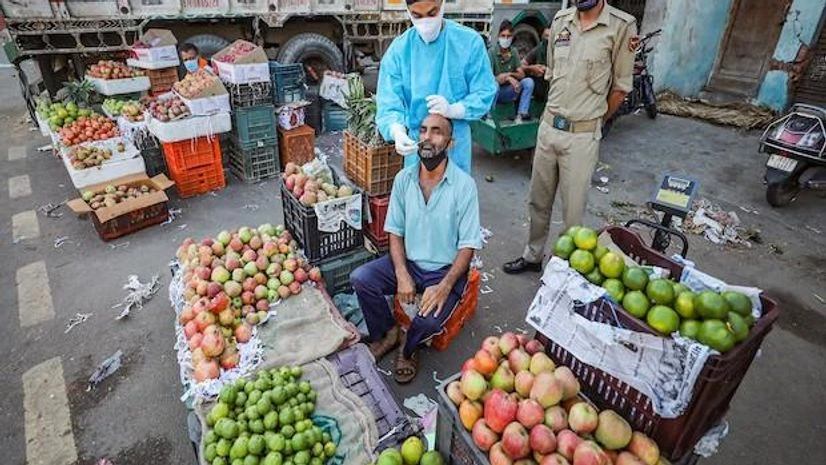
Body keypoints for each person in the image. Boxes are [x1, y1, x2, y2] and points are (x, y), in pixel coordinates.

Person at [503, 0, 636, 274]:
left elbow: (620, 89)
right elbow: (553, 72)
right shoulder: (562, 21)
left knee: (573, 213)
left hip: (582, 135)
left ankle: (561, 267)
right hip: (549, 128)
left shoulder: (621, 26)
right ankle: (532, 256)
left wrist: (594, 121)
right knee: (538, 201)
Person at [351, 114, 481, 384]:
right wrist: (401, 273)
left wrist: (445, 285)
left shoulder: (464, 186)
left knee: (429, 323)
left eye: (436, 132)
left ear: (450, 143)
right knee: (362, 279)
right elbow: (395, 231)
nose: (427, 137)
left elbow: (468, 245)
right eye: (423, 130)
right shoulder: (404, 179)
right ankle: (387, 332)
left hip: (443, 271)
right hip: (410, 262)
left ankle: (408, 348)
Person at [376, 0, 498, 174]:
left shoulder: (468, 43)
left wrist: (454, 109)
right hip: (417, 149)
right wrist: (396, 130)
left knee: (455, 197)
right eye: (417, 16)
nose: (425, 23)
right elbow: (389, 102)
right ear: (408, 11)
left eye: (432, 13)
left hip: (455, 147)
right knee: (418, 196)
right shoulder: (399, 50)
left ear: (442, 5)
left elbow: (484, 91)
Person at [488, 20, 535, 123]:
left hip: (509, 91)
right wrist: (508, 78)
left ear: (512, 37)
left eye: (508, 36)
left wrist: (510, 74)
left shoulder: (513, 52)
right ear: (498, 36)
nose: (505, 39)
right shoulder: (492, 52)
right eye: (503, 35)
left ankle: (521, 114)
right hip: (495, 93)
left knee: (528, 82)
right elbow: (489, 79)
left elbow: (521, 74)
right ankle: (490, 115)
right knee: (494, 85)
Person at [522, 26, 552, 101]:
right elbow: (522, 65)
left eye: (549, 37)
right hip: (539, 85)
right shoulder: (539, 49)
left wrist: (547, 70)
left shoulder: (559, 51)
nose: (547, 40)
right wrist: (532, 68)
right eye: (545, 36)